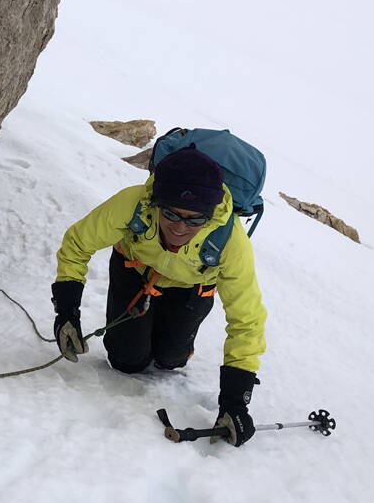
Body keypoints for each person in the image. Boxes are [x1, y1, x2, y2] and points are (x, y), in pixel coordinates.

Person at [51, 146, 266, 446]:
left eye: (195, 220)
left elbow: (247, 319)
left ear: (211, 215)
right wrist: (67, 311)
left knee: (170, 360)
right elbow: (77, 244)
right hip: (134, 272)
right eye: (171, 214)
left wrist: (235, 401)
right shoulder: (133, 203)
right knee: (126, 362)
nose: (180, 228)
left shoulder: (229, 239)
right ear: (156, 203)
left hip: (192, 288)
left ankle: (175, 347)